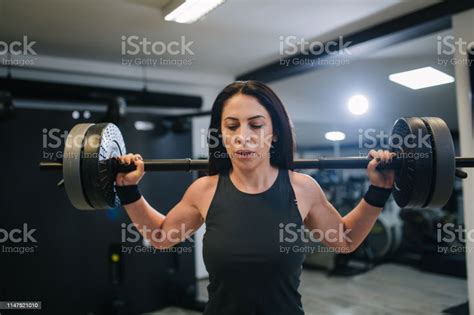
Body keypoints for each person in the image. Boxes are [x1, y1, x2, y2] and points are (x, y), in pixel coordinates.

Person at [115, 80, 395, 315]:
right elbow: (162, 237)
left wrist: (379, 191)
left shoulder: (303, 188)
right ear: (220, 134)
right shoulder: (205, 190)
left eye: (256, 125)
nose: (243, 137)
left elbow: (344, 240)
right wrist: (128, 190)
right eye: (232, 126)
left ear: (274, 134)